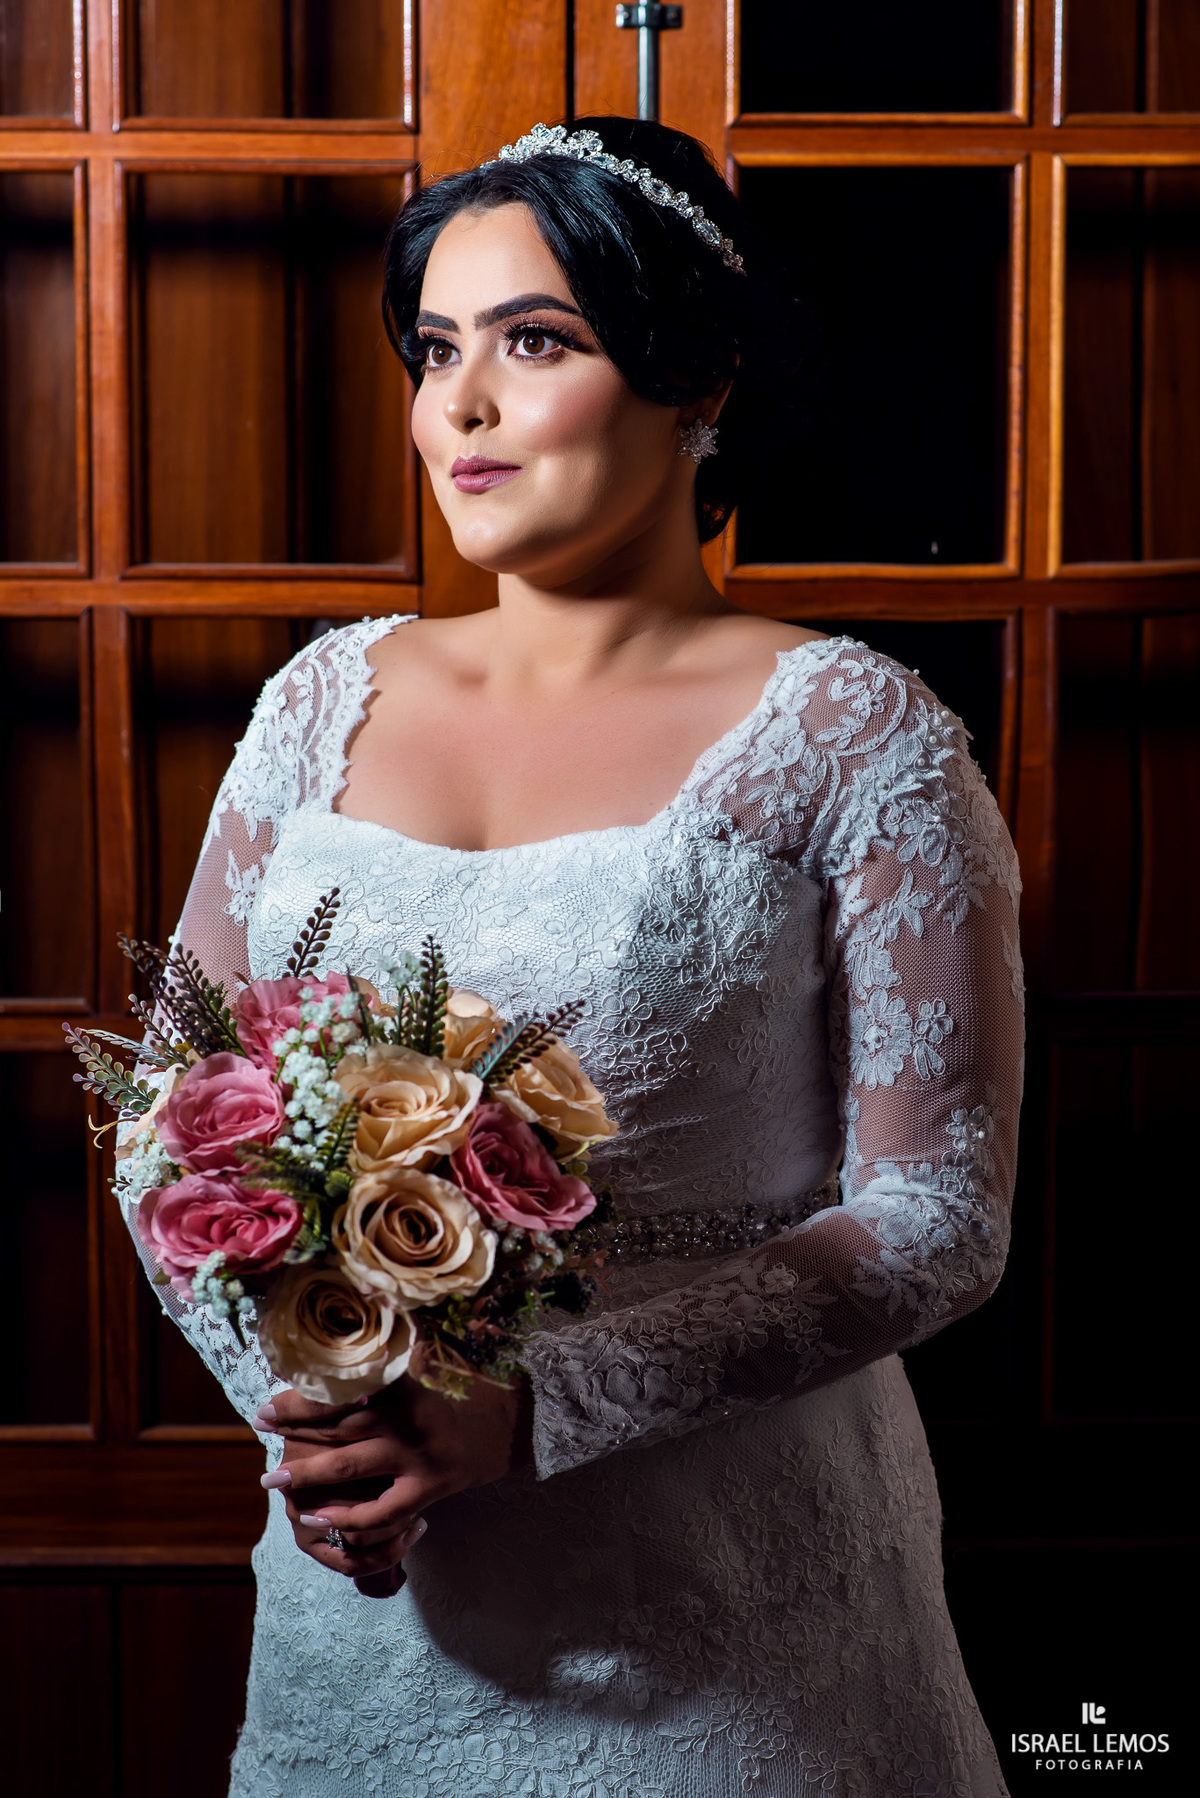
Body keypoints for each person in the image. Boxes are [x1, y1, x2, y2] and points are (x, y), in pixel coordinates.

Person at [128, 117, 1022, 1797]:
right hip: (367, 1601)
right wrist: (317, 1404)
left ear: (703, 381)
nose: (457, 407)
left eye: (534, 343)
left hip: (723, 1606)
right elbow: (161, 1107)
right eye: (435, 349)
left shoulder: (852, 733)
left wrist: (532, 1409)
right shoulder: (323, 699)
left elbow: (938, 1216)